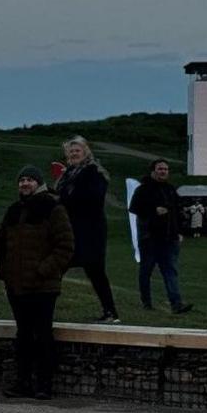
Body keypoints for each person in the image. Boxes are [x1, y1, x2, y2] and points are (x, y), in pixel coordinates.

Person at [0, 165, 74, 399]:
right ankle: (22, 382)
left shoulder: (53, 207)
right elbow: (3, 244)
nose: (25, 184)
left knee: (42, 335)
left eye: (30, 179)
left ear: (38, 183)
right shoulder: (13, 210)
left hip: (43, 286)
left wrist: (44, 270)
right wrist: (5, 274)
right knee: (23, 335)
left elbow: (66, 246)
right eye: (21, 180)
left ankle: (44, 384)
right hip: (16, 286)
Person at [55, 137, 120, 322]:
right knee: (58, 265)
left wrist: (66, 200)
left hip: (91, 230)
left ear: (85, 152)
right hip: (70, 228)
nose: (74, 153)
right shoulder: (67, 174)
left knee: (95, 270)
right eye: (71, 151)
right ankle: (43, 307)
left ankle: (111, 312)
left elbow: (94, 198)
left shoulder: (94, 172)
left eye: (77, 150)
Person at [128, 159, 192, 314]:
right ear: (153, 170)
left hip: (169, 238)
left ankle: (176, 303)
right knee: (146, 271)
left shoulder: (170, 190)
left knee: (170, 270)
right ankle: (146, 302)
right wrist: (153, 210)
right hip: (150, 238)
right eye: (160, 168)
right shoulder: (143, 189)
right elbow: (134, 208)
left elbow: (177, 211)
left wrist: (180, 231)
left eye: (166, 169)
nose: (163, 171)